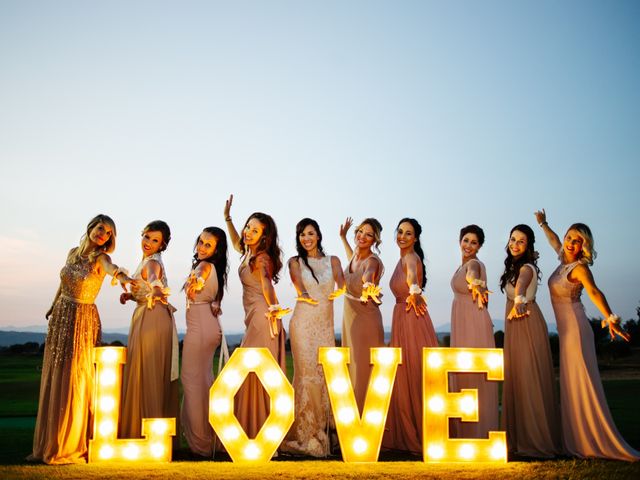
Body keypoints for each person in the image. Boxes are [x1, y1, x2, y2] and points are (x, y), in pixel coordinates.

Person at [535, 209, 638, 461]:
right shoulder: (563, 259)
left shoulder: (579, 269)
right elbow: (553, 240)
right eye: (570, 237)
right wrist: (544, 224)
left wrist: (611, 318)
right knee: (571, 384)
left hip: (576, 329)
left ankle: (591, 440)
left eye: (576, 240)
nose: (570, 243)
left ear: (584, 246)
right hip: (566, 330)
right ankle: (577, 439)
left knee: (581, 382)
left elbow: (594, 292)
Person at [29, 214, 132, 464]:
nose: (103, 234)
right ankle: (47, 445)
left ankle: (67, 446)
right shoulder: (73, 252)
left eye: (108, 233)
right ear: (91, 227)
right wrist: (53, 307)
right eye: (100, 228)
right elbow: (62, 283)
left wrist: (123, 278)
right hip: (61, 317)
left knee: (74, 377)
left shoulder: (101, 258)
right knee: (56, 376)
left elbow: (112, 270)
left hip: (82, 319)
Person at [223, 195, 290, 439]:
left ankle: (260, 430)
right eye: (247, 227)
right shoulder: (248, 252)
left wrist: (273, 308)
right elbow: (236, 243)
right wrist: (228, 218)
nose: (248, 232)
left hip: (264, 317)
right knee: (251, 372)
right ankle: (251, 430)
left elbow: (266, 283)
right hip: (253, 317)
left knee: (256, 372)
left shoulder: (261, 258)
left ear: (264, 236)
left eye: (255, 230)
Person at [281, 218, 346, 457]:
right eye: (301, 235)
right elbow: (299, 285)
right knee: (306, 375)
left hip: (325, 326)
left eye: (310, 233)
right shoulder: (295, 261)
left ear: (318, 235)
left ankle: (324, 432)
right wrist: (305, 293)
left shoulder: (334, 260)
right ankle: (305, 435)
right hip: (303, 324)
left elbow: (341, 281)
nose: (306, 238)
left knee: (323, 376)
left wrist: (342, 288)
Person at [499, 224, 560, 458]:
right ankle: (519, 438)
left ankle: (536, 441)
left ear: (528, 246)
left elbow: (522, 285)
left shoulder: (526, 268)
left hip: (526, 320)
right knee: (517, 379)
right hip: (514, 323)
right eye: (512, 239)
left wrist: (520, 299)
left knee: (528, 378)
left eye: (521, 241)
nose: (515, 244)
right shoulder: (515, 266)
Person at [382, 218, 438, 455]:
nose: (402, 236)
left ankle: (423, 434)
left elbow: (413, 277)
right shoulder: (401, 258)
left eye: (408, 233)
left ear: (415, 238)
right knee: (403, 376)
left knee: (414, 373)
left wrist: (415, 291)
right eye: (400, 232)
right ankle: (406, 433)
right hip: (401, 317)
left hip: (411, 318)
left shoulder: (410, 258)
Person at [119, 220, 179, 441]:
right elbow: (146, 286)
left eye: (155, 240)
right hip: (150, 313)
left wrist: (154, 291)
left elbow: (154, 281)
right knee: (147, 369)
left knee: (148, 371)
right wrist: (130, 295)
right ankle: (152, 433)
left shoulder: (152, 263)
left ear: (162, 245)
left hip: (151, 315)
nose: (149, 243)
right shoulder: (148, 260)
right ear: (141, 235)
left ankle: (147, 435)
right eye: (147, 237)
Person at [181, 227, 228, 458]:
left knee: (191, 381)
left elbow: (198, 280)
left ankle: (201, 443)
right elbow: (213, 296)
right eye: (200, 241)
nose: (201, 247)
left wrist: (196, 283)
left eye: (208, 245)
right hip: (209, 327)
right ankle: (211, 436)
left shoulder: (204, 266)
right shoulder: (215, 269)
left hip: (200, 329)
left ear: (216, 250)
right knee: (204, 380)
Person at [449, 224, 498, 438]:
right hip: (462, 321)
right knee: (462, 373)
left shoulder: (474, 265)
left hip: (473, 323)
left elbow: (472, 275)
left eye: (474, 242)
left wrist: (475, 284)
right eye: (466, 240)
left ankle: (479, 433)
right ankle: (464, 432)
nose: (468, 245)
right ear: (460, 241)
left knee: (473, 374)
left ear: (479, 246)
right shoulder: (460, 265)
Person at [338, 217, 385, 412]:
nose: (363, 237)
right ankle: (352, 417)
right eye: (360, 231)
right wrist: (343, 237)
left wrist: (368, 284)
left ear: (375, 240)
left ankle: (363, 419)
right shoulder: (354, 256)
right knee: (351, 366)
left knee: (362, 369)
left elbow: (368, 273)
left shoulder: (372, 261)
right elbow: (352, 259)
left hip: (365, 320)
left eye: (369, 234)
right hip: (349, 318)